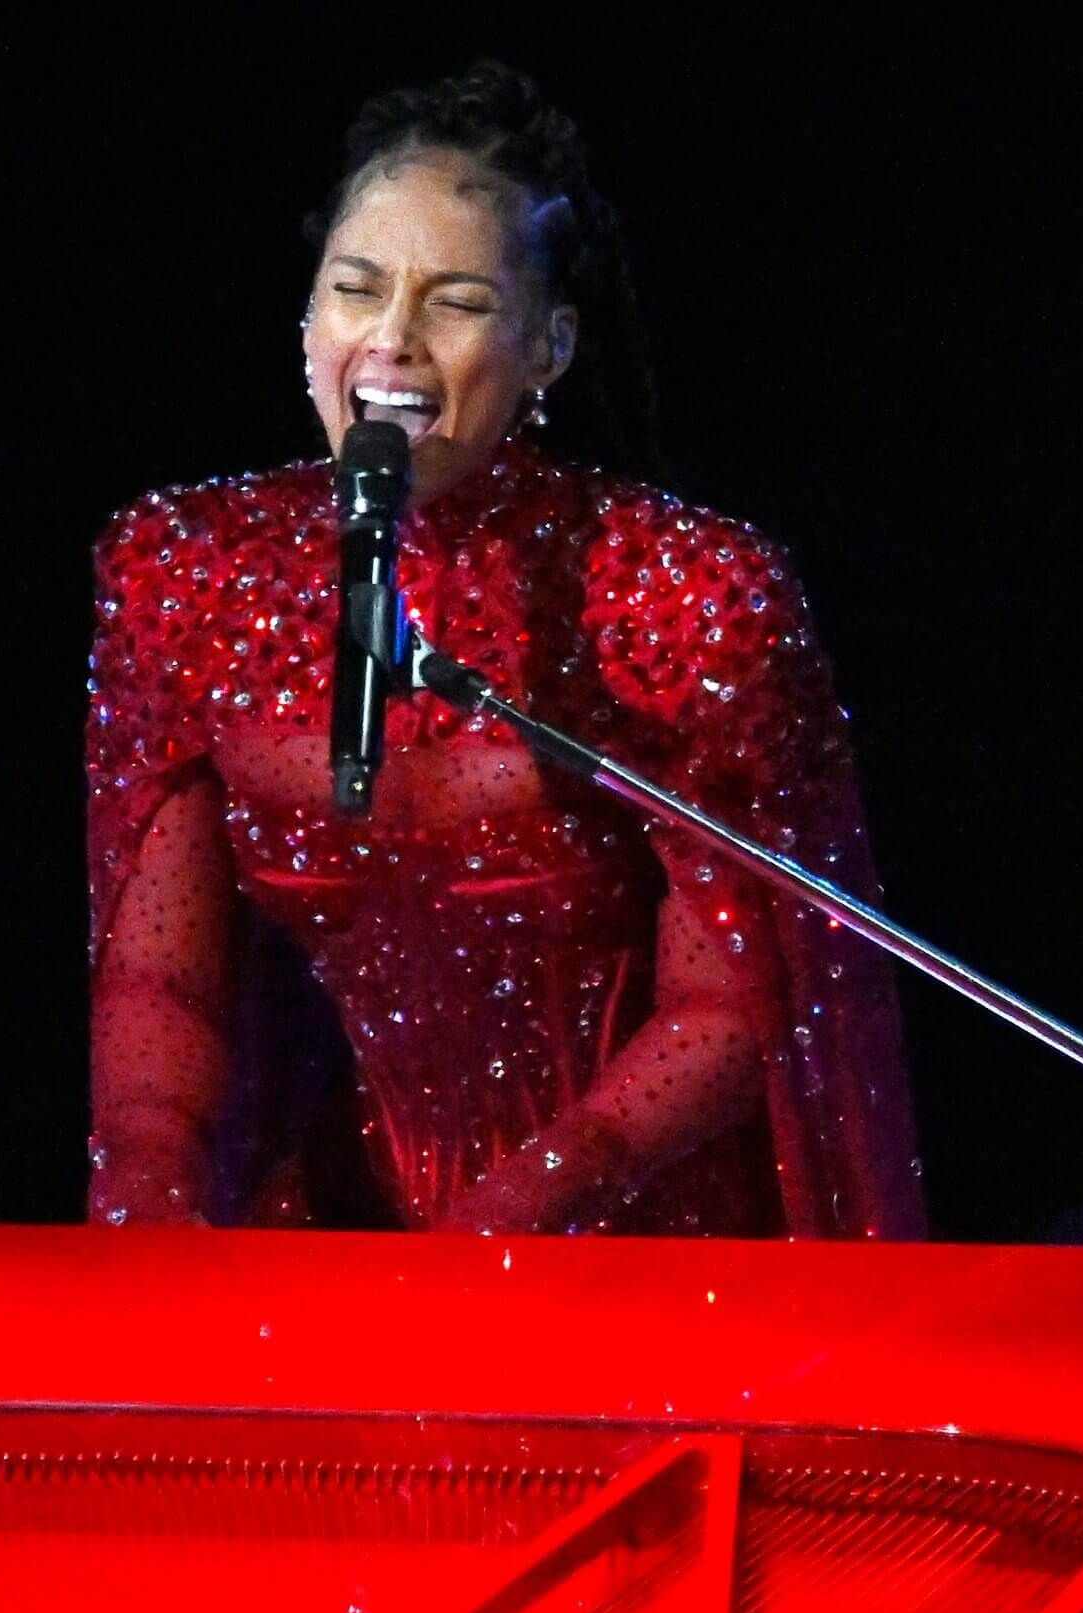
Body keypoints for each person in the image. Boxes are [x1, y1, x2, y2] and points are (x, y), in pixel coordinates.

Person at [85, 62, 923, 1241]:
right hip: (355, 1233)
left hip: (634, 1244)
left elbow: (733, 1002)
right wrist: (145, 1212)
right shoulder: (182, 570)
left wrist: (504, 1230)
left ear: (550, 347)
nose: (390, 341)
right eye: (355, 289)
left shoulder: (684, 588)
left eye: (457, 302)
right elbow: (158, 983)